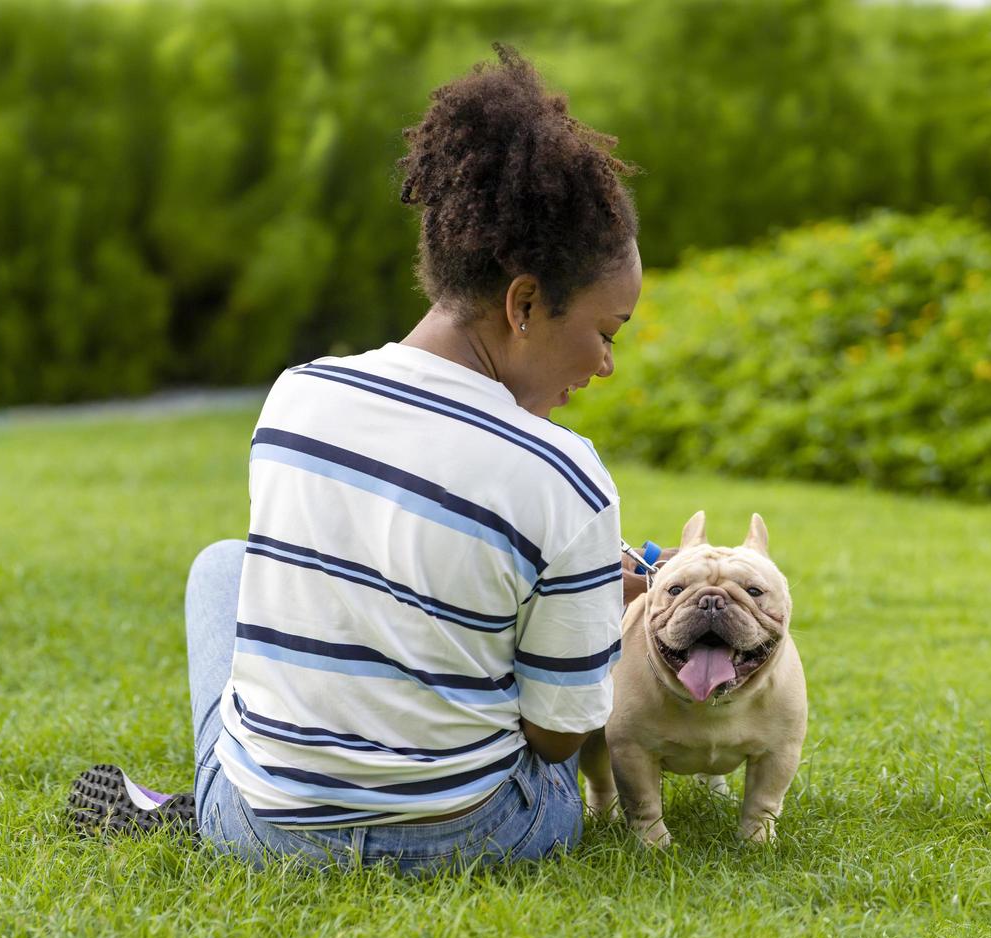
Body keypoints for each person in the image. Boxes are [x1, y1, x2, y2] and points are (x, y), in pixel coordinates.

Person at [68, 43, 660, 874]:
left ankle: (208, 800)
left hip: (265, 830)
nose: (604, 366)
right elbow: (555, 737)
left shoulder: (298, 395)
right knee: (521, 722)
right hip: (473, 839)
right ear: (524, 302)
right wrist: (590, 611)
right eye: (604, 333)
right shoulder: (565, 476)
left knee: (219, 568)